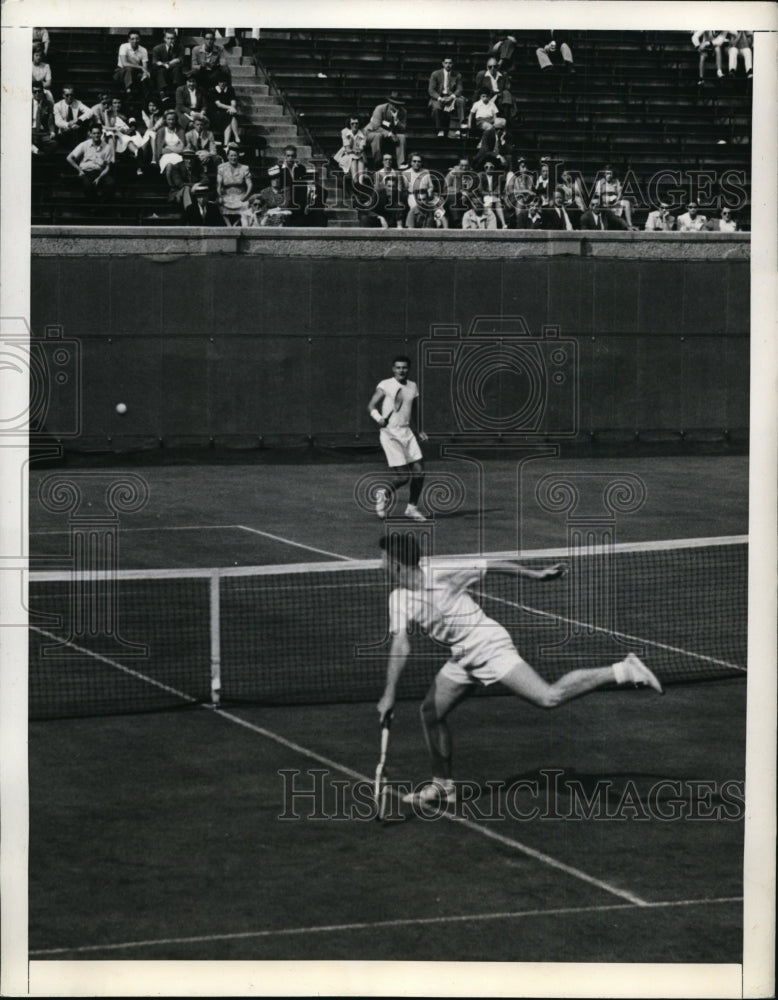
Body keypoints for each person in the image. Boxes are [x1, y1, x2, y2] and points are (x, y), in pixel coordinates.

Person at [376, 532, 663, 806]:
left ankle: (625, 670)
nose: (380, 564)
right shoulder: (398, 599)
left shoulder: (442, 570)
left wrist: (534, 575)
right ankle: (443, 785)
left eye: (384, 559)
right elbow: (401, 644)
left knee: (548, 697)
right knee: (430, 713)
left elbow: (492, 565)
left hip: (489, 645)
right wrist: (390, 692)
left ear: (397, 565)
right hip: (463, 656)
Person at [367, 356, 428, 522]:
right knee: (403, 477)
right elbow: (371, 405)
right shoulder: (385, 384)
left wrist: (419, 430)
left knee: (420, 472)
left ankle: (412, 509)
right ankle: (383, 493)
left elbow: (413, 409)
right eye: (398, 368)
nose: (401, 370)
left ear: (409, 369)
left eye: (405, 368)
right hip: (390, 435)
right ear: (393, 369)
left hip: (407, 432)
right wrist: (378, 418)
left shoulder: (412, 386)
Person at [66, 123, 115, 200]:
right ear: (90, 134)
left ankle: (101, 205)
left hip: (99, 172)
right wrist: (79, 170)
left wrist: (99, 177)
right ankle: (94, 207)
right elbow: (69, 158)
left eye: (98, 133)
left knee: (111, 183)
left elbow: (107, 167)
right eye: (94, 133)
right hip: (86, 171)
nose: (96, 135)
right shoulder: (84, 144)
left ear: (101, 133)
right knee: (88, 186)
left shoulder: (107, 147)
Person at [365, 92, 407, 169]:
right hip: (372, 132)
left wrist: (397, 121)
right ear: (389, 103)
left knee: (402, 137)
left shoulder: (403, 112)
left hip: (391, 134)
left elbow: (403, 128)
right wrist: (389, 134)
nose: (396, 106)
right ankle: (378, 163)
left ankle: (401, 163)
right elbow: (376, 126)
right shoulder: (380, 109)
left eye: (398, 104)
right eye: (394, 104)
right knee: (378, 136)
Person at [428, 56, 467, 138]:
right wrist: (439, 98)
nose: (448, 65)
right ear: (442, 64)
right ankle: (440, 129)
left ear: (452, 64)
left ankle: (462, 126)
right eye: (446, 63)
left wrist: (452, 97)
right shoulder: (435, 74)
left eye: (450, 63)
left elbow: (460, 89)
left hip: (451, 96)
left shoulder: (457, 75)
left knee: (461, 101)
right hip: (439, 97)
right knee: (436, 107)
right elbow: (431, 90)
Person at [216, 144, 252, 225]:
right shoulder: (221, 167)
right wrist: (220, 196)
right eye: (231, 155)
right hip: (226, 195)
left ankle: (236, 224)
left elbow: (249, 185)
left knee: (246, 205)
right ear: (227, 156)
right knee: (219, 204)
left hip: (241, 195)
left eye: (235, 155)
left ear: (238, 156)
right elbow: (218, 185)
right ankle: (229, 226)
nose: (233, 158)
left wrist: (245, 196)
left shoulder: (244, 168)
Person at [594, 164, 635, 230]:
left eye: (610, 174)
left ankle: (630, 224)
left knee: (626, 203)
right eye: (607, 173)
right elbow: (599, 196)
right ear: (604, 174)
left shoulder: (616, 181)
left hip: (615, 202)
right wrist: (607, 200)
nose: (609, 175)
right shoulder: (600, 182)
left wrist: (617, 200)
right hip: (605, 202)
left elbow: (619, 194)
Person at [53, 85, 92, 150]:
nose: (70, 97)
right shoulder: (57, 105)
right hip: (64, 132)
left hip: (76, 130)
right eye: (67, 95)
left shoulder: (77, 103)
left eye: (72, 95)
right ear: (63, 95)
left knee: (84, 125)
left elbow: (90, 112)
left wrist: (78, 120)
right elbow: (58, 122)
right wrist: (69, 125)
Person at [334, 115, 368, 191]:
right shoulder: (344, 131)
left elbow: (362, 147)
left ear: (359, 124)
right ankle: (356, 181)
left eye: (356, 123)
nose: (354, 125)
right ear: (349, 124)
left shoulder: (363, 131)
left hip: (359, 154)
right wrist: (355, 150)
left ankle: (360, 183)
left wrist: (358, 150)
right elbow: (347, 148)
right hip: (346, 154)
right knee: (353, 158)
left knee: (360, 159)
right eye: (352, 123)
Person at [113, 29, 150, 97]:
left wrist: (145, 74)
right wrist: (140, 67)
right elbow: (124, 63)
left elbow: (145, 67)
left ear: (140, 39)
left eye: (137, 39)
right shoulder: (123, 46)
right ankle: (128, 90)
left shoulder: (143, 50)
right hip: (121, 72)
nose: (135, 41)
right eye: (132, 39)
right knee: (129, 69)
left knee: (145, 78)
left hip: (135, 73)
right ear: (129, 40)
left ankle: (145, 99)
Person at [151, 29, 185, 99]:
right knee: (160, 70)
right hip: (162, 71)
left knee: (177, 69)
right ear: (164, 39)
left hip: (174, 70)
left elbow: (181, 60)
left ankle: (177, 92)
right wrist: (170, 62)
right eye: (168, 38)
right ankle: (162, 93)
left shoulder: (179, 48)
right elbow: (155, 62)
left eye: (172, 38)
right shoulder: (157, 48)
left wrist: (167, 64)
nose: (170, 40)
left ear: (175, 39)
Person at [208, 76, 241, 147]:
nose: (222, 84)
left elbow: (233, 101)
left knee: (230, 117)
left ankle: (226, 144)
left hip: (228, 112)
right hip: (216, 113)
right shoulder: (213, 90)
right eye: (220, 82)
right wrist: (231, 108)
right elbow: (219, 105)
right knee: (230, 116)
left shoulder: (230, 90)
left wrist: (232, 107)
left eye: (224, 82)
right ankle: (236, 137)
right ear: (218, 83)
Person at [31, 82, 57, 155]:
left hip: (43, 132)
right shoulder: (27, 104)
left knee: (54, 144)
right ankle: (37, 151)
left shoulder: (48, 104)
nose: (37, 94)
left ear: (43, 92)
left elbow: (50, 121)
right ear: (32, 92)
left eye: (39, 91)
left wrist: (52, 132)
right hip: (31, 131)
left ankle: (37, 151)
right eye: (34, 92)